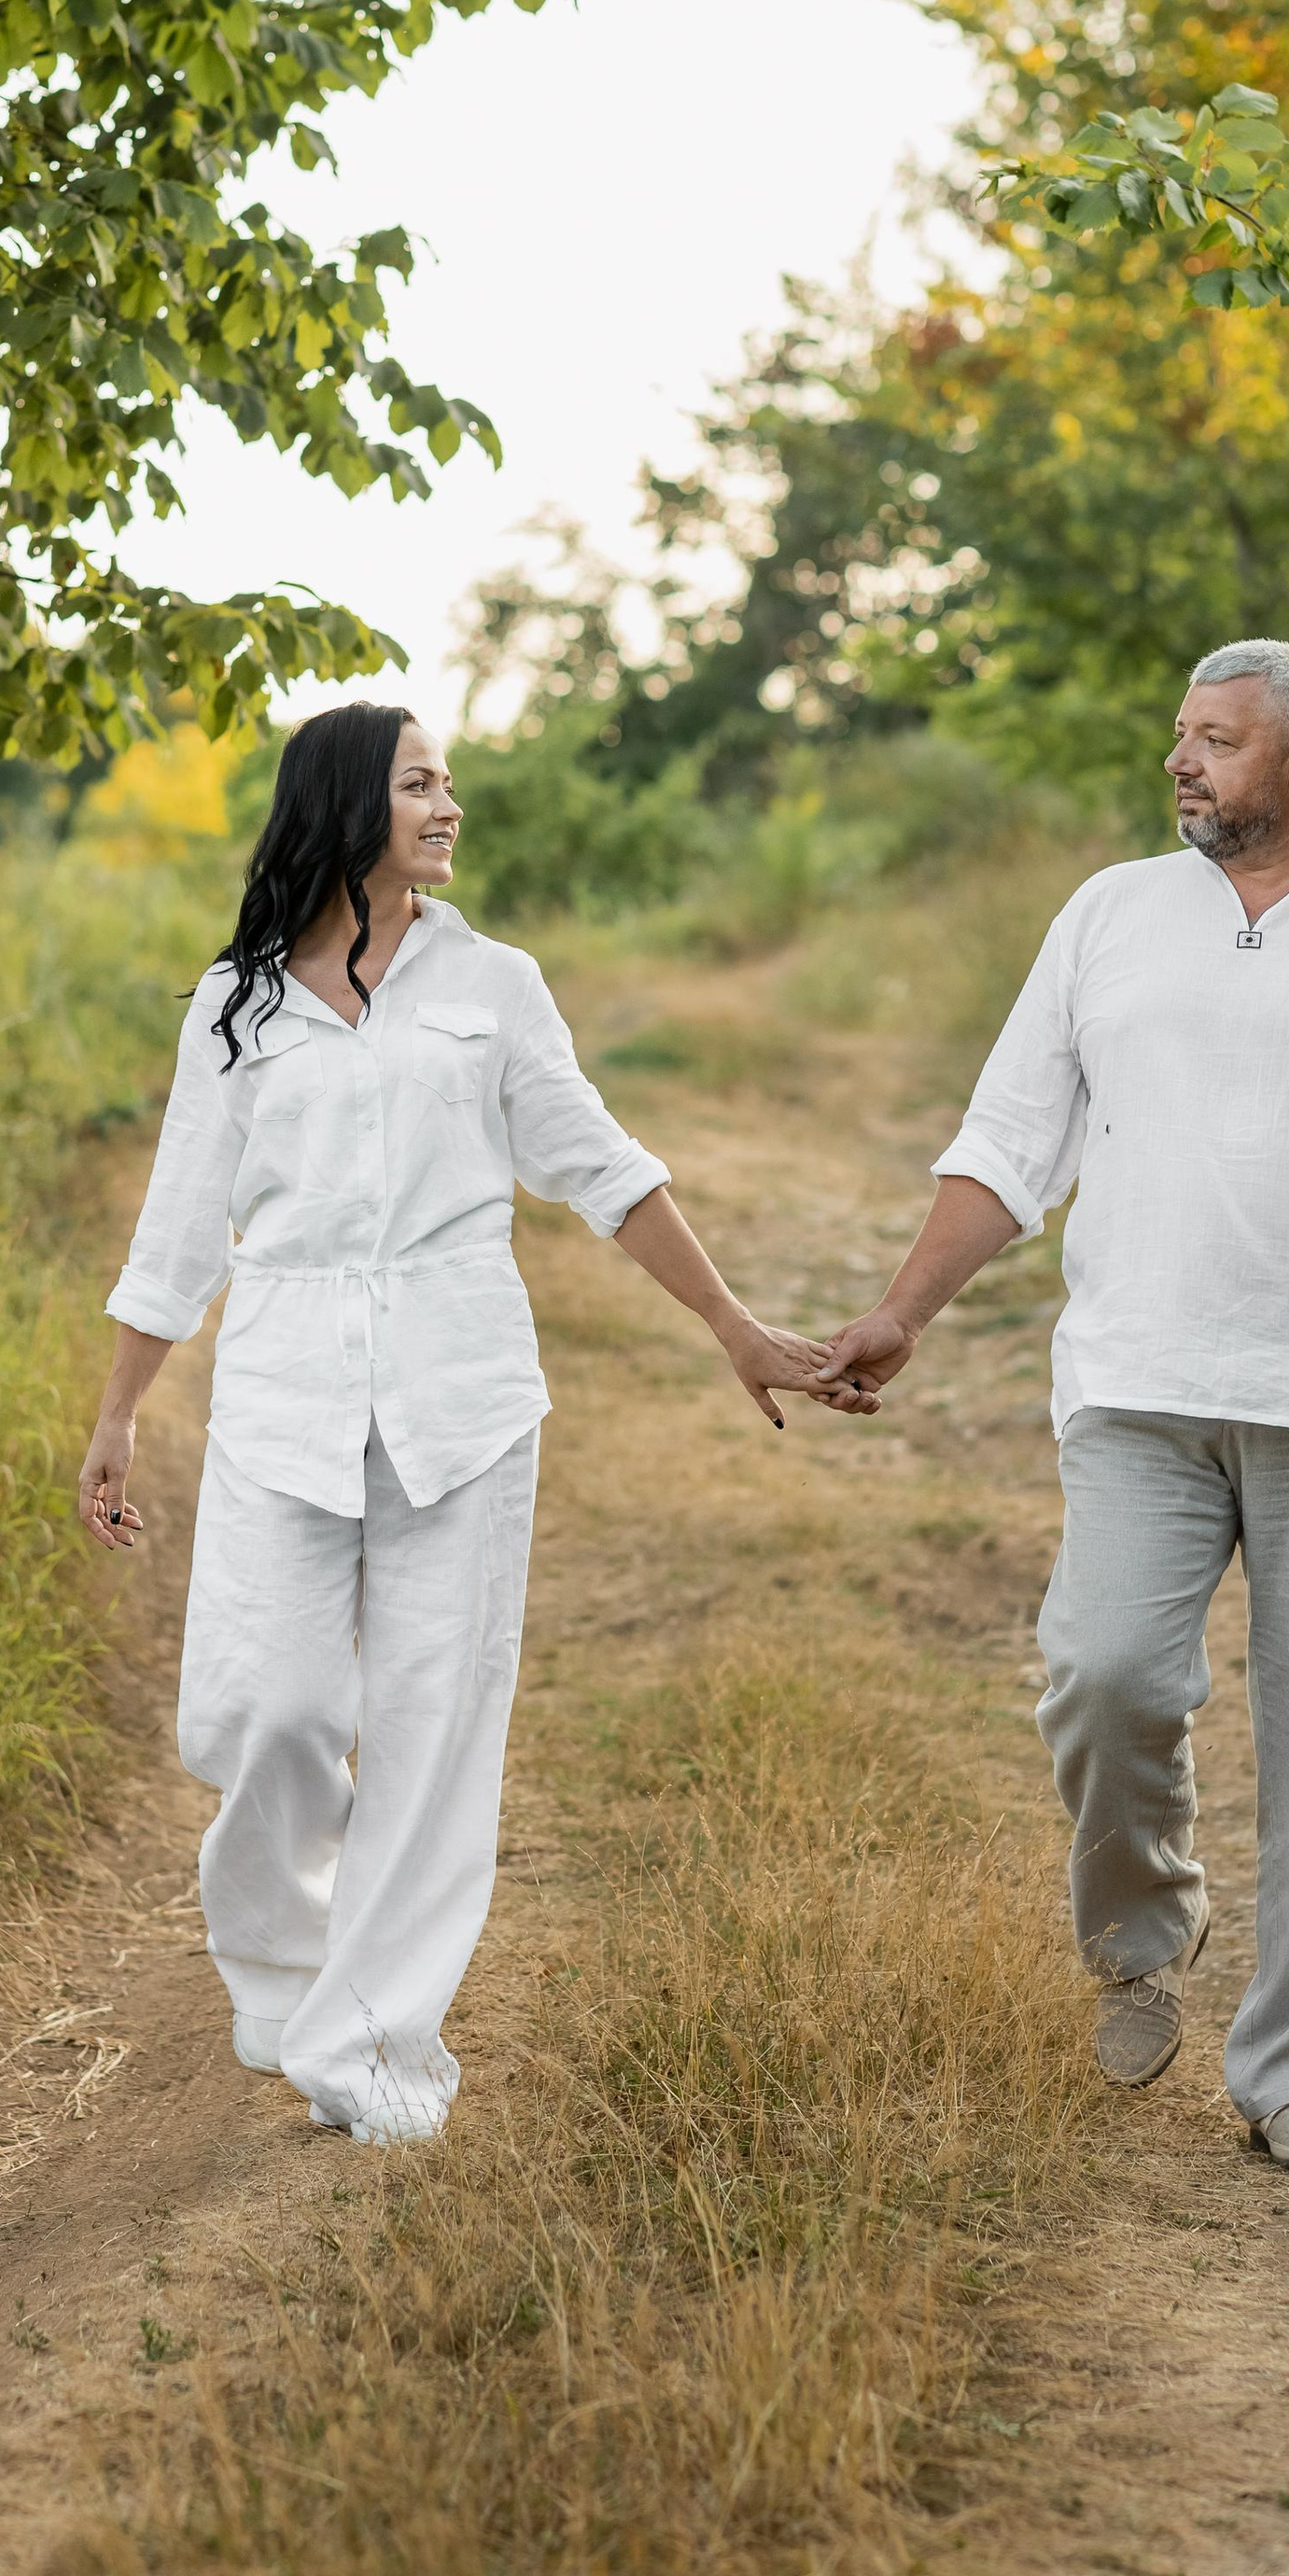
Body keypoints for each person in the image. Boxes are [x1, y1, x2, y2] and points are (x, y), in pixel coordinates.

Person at [810, 639, 1289, 2176]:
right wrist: (900, 1310)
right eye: (1181, 734)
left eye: (1218, 740)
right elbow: (1009, 1143)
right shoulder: (1108, 914)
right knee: (1103, 1671)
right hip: (1138, 1381)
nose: (1181, 760)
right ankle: (1145, 1934)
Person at [78, 701, 833, 2146]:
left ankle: (374, 2051)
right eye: (420, 783)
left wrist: (733, 1324)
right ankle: (283, 1963)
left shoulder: (496, 984)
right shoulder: (237, 1003)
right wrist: (120, 1411)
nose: (449, 806)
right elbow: (179, 1226)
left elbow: (602, 1169)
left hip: (463, 1396)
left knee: (432, 1732)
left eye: (448, 782)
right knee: (271, 1709)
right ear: (347, 807)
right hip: (285, 1393)